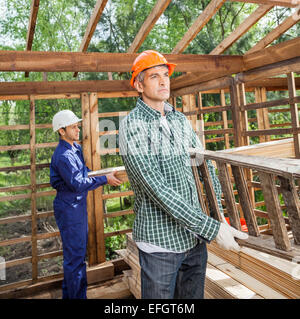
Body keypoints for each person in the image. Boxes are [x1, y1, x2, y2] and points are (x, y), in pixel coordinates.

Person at [119, 50, 248, 299]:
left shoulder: (179, 119)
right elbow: (156, 188)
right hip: (161, 245)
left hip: (194, 239)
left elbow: (203, 166)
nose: (163, 81)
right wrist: (210, 228)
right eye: (154, 76)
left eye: (166, 75)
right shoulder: (131, 126)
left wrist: (216, 211)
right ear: (138, 84)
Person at [50, 109, 122, 299]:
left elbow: (86, 173)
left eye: (77, 125)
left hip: (77, 207)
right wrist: (105, 180)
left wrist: (104, 175)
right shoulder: (63, 156)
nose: (78, 129)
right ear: (61, 131)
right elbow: (77, 183)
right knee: (75, 259)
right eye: (73, 126)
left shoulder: (75, 149)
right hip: (69, 209)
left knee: (77, 256)